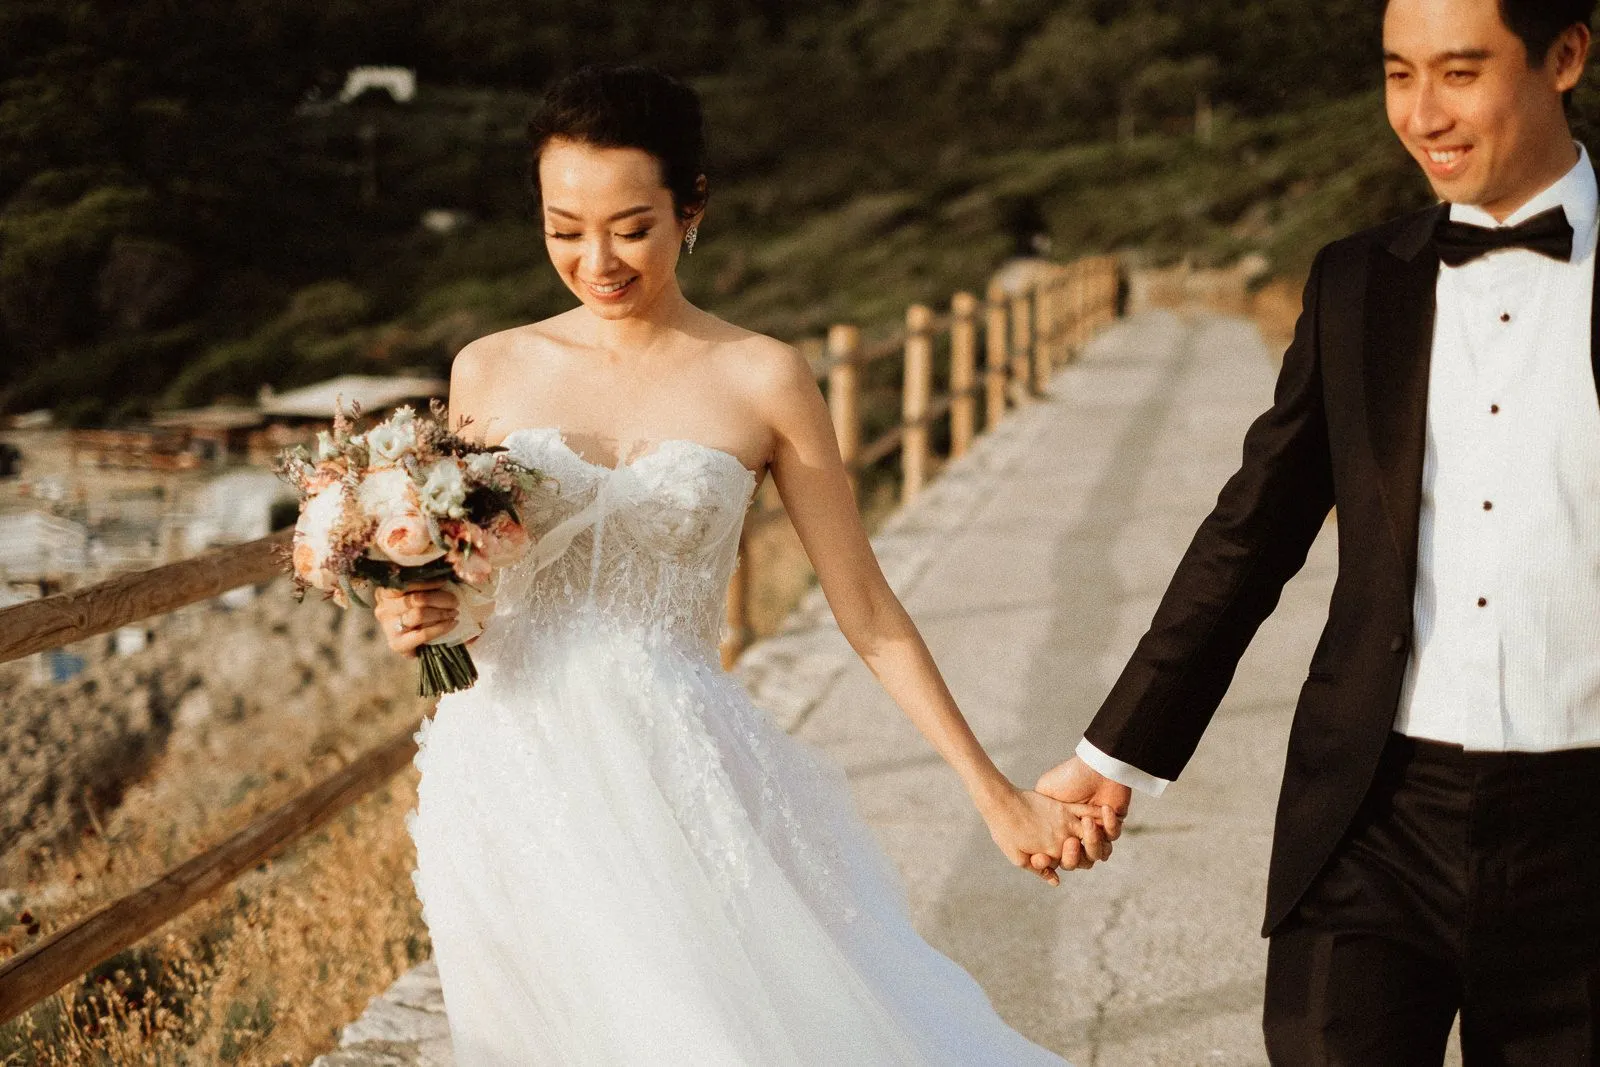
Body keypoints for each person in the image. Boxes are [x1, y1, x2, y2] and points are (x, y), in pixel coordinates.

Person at [375, 65, 1103, 1065]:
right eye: (564, 229)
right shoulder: (489, 368)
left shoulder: (761, 375)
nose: (598, 260)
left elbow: (867, 609)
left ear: (693, 207)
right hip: (507, 774)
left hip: (678, 769)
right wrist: (418, 610)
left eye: (631, 227)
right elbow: (468, 583)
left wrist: (994, 791)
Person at [1035, 0, 1600, 1063]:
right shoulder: (1355, 282)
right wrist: (1117, 747)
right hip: (1373, 816)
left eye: (1460, 72)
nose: (1422, 113)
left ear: (1564, 55)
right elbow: (1252, 528)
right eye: (1397, 74)